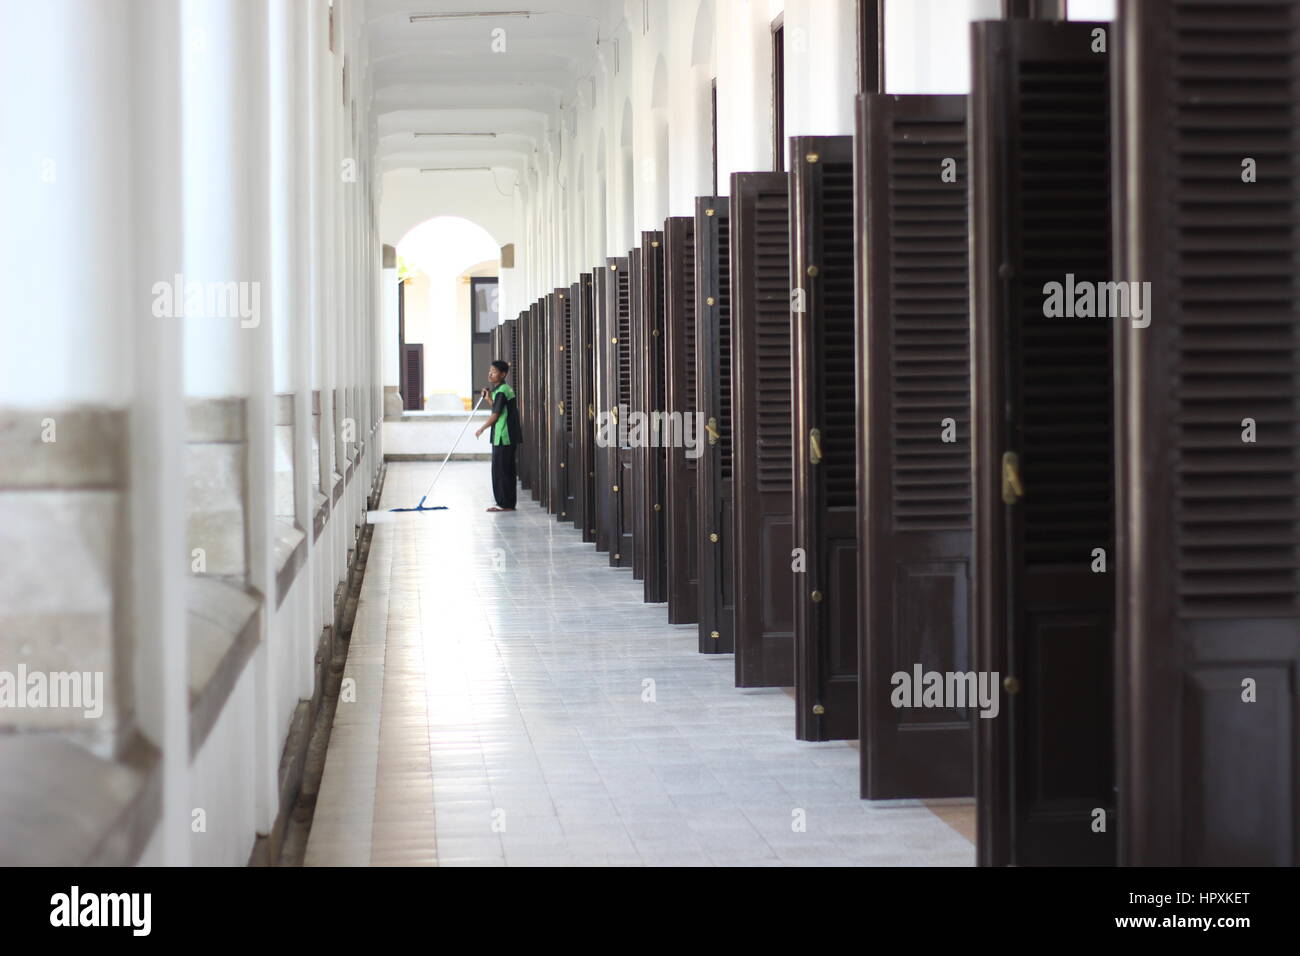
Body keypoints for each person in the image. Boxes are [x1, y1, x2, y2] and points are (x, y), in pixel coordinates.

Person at [475, 360, 522, 512]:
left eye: (494, 371)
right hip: (500, 435)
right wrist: (488, 397)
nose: (490, 374)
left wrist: (482, 428)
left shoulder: (503, 390)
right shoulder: (500, 389)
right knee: (499, 470)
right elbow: (496, 406)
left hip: (505, 435)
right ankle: (503, 502)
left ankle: (506, 504)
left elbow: (496, 415)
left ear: (503, 374)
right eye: (490, 370)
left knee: (504, 471)